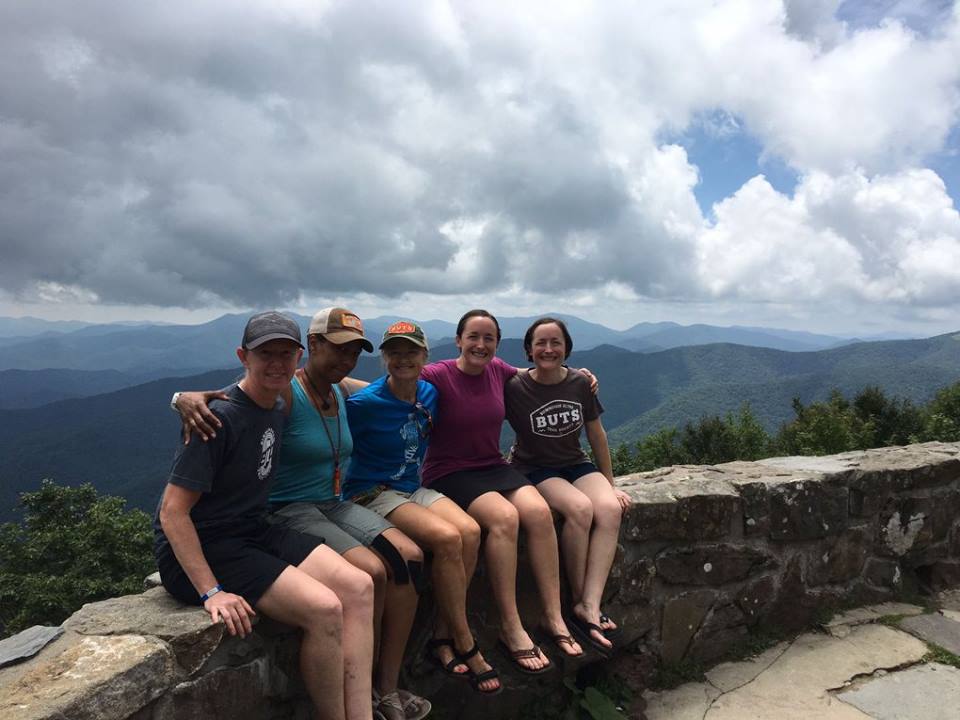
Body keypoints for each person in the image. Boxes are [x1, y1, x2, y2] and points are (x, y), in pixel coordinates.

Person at [173, 308, 429, 720]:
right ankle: (364, 698)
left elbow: (388, 386)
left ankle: (379, 692)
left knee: (396, 565)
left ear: (296, 355)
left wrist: (420, 383)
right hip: (277, 516)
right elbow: (235, 398)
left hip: (313, 509)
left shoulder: (334, 389)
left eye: (352, 352)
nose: (345, 359)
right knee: (363, 580)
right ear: (313, 347)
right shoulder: (281, 394)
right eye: (337, 349)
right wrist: (182, 398)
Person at [418, 309, 583, 674]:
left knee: (539, 513)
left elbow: (538, 375)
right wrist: (331, 384)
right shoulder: (437, 374)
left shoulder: (499, 371)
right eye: (473, 337)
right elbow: (393, 382)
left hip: (492, 465)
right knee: (506, 519)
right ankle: (511, 627)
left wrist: (578, 376)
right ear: (458, 340)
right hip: (450, 471)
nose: (480, 344)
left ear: (497, 343)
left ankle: (553, 617)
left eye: (488, 338)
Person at [343, 320, 501, 694]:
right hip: (373, 491)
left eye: (411, 351)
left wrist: (563, 371)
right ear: (383, 358)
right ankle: (465, 642)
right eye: (394, 352)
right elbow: (318, 388)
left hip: (414, 487)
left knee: (471, 531)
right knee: (447, 538)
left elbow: (489, 373)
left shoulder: (429, 393)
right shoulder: (363, 405)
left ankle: (442, 636)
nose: (403, 359)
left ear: (425, 356)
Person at [505, 317, 631, 656]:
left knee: (609, 508)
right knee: (579, 508)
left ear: (567, 349)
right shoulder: (515, 385)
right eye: (540, 343)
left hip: (575, 462)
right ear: (528, 350)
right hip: (535, 468)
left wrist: (609, 482)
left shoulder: (579, 383)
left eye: (555, 343)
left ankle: (589, 602)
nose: (548, 349)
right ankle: (578, 602)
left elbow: (596, 434)